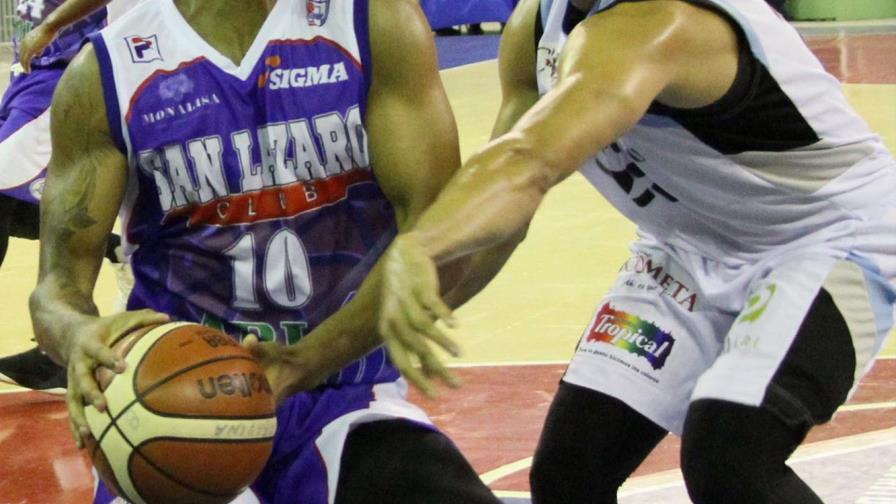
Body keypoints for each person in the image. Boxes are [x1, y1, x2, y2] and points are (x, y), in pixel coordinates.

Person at [376, 0, 896, 503]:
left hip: (829, 236)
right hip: (686, 249)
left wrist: (421, 244)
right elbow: (503, 211)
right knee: (569, 472)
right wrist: (357, 342)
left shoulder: (661, 22)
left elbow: (526, 162)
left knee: (733, 456)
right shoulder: (537, 26)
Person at [29, 0, 502, 503]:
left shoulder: (373, 23)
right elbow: (56, 290)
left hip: (344, 394)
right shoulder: (108, 74)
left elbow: (441, 233)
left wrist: (303, 362)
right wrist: (78, 335)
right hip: (170, 405)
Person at [0, 0, 136, 394]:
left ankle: (59, 353)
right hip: (29, 71)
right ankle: (119, 253)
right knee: (34, 205)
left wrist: (55, 24)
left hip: (67, 69)